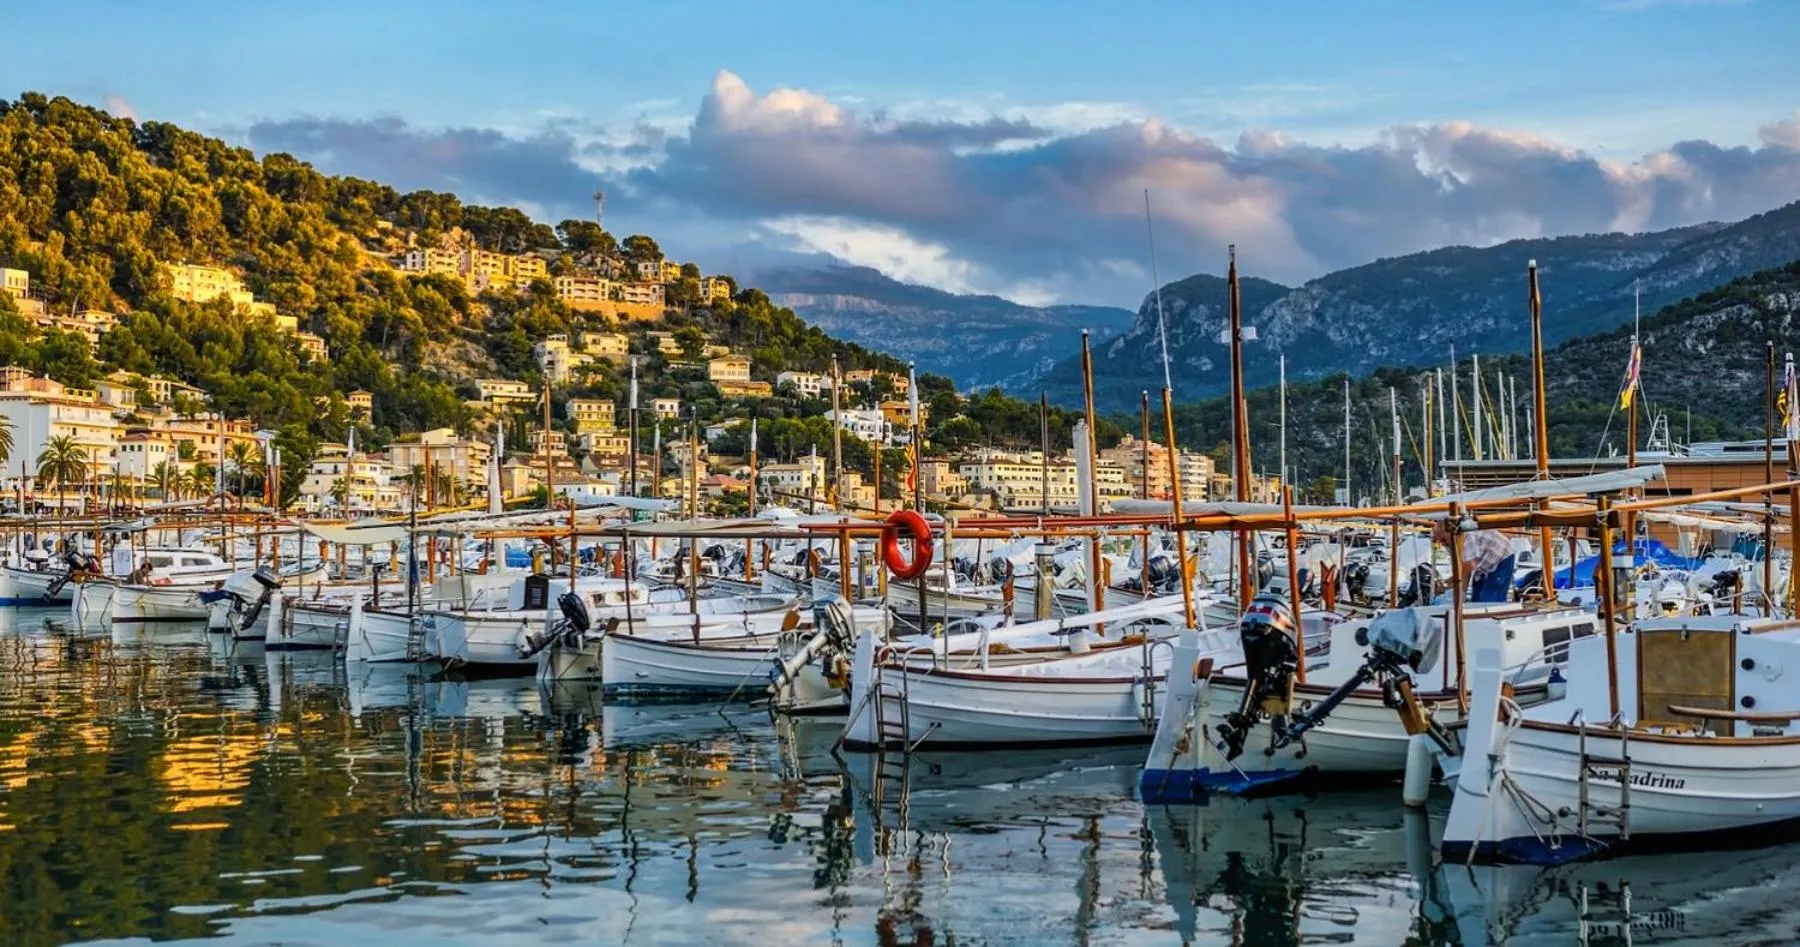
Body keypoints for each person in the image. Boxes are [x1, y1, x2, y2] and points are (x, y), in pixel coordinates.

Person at [1432, 521, 1516, 603]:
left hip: (1501, 556)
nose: (1442, 544)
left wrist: (1445, 585)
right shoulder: (1449, 541)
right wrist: (1460, 597)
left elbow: (1468, 567)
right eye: (1438, 541)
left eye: (1442, 540)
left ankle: (1491, 615)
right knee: (1476, 600)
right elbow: (1463, 571)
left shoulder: (1465, 535)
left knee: (1489, 600)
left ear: (1448, 532)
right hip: (1483, 564)